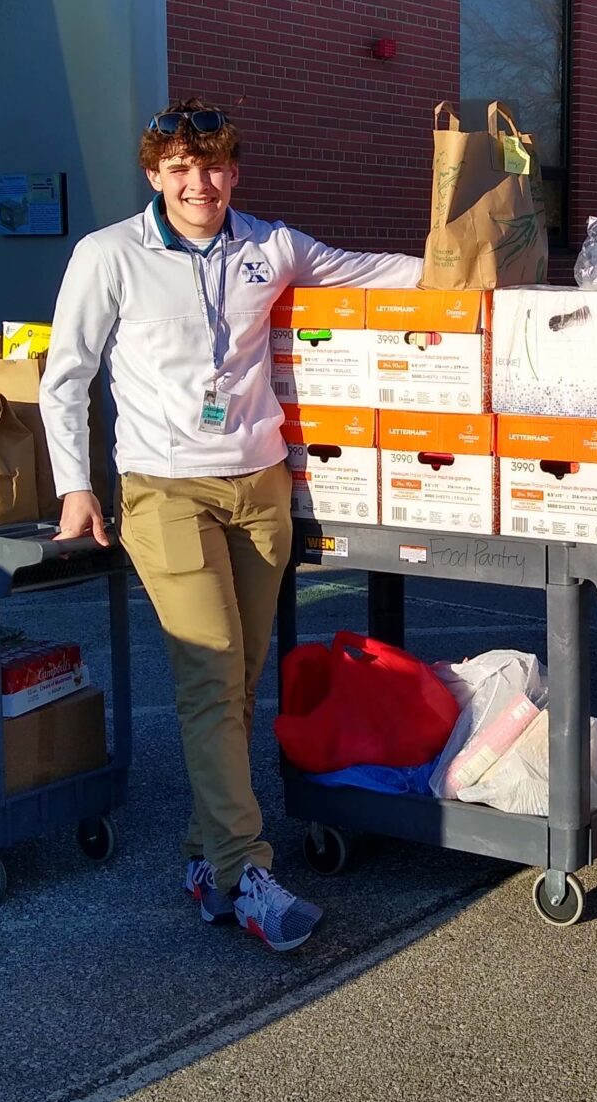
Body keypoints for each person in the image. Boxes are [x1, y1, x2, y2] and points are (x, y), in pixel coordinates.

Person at [41, 100, 421, 952]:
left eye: (211, 167)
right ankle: (248, 867)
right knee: (212, 675)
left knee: (241, 681)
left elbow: (370, 272)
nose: (197, 183)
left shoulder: (270, 245)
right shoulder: (109, 256)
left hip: (259, 484)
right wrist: (77, 486)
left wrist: (472, 259)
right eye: (178, 168)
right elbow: (64, 377)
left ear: (234, 172)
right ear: (154, 176)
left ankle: (204, 860)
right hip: (164, 490)